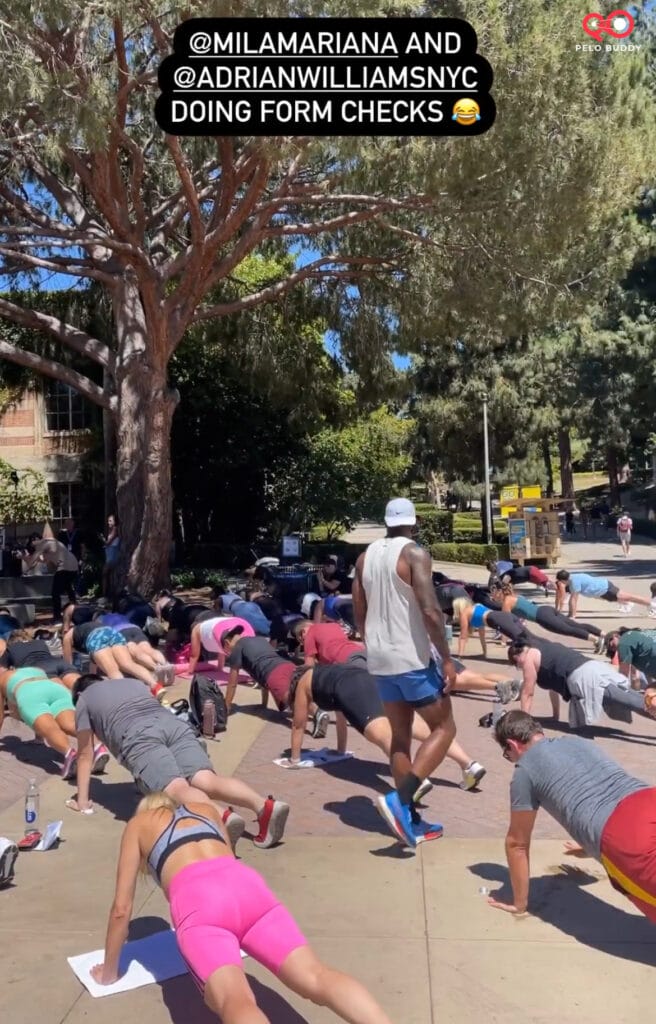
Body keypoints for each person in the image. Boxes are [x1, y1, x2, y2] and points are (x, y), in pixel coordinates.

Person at [89, 793, 395, 1024]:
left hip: (200, 904)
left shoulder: (138, 825)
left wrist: (109, 972)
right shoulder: (205, 809)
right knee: (316, 976)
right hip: (247, 888)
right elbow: (228, 858)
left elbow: (121, 909)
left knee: (236, 999)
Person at [68, 674, 289, 848]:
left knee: (176, 787)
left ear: (78, 694)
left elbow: (86, 754)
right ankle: (264, 806)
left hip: (140, 737)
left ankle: (221, 817)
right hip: (174, 726)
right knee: (205, 779)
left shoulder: (84, 701)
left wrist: (83, 801)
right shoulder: (131, 683)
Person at [352, 497, 457, 847]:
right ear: (414, 521)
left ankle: (408, 819)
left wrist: (373, 646)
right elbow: (430, 611)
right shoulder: (415, 554)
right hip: (410, 658)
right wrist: (445, 657)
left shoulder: (364, 557)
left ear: (385, 521)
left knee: (400, 737)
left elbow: (359, 612)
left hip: (380, 659)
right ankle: (400, 801)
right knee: (444, 727)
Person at [488, 710, 656, 922]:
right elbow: (597, 785)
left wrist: (519, 903)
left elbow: (517, 844)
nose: (510, 759)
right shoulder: (578, 742)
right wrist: (588, 843)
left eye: (506, 754)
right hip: (648, 798)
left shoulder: (524, 770)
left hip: (624, 836)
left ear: (512, 745)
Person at [291, 621, 489, 791]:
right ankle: (468, 764)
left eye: (300, 639)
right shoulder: (332, 626)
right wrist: (340, 750)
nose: (302, 642)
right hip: (371, 659)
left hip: (352, 672)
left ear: (302, 633)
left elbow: (309, 665)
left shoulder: (311, 634)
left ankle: (414, 778)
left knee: (385, 728)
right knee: (412, 722)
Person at [508, 635, 656, 728]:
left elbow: (528, 693)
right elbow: (552, 688)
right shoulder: (542, 651)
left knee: (633, 702)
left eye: (517, 663)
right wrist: (555, 716)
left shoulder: (528, 656)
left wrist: (523, 723)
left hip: (585, 677)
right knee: (633, 699)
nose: (519, 666)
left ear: (518, 654)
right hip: (593, 668)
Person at [0, 666, 108, 779]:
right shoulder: (31, 669)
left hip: (28, 692)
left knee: (51, 730)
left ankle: (70, 754)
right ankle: (98, 747)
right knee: (70, 724)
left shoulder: (1, 679)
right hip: (55, 689)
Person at [62, 621, 166, 700]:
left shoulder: (67, 637)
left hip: (96, 638)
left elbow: (68, 665)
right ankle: (155, 686)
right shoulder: (85, 628)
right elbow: (94, 663)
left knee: (113, 671)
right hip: (111, 632)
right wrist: (92, 679)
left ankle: (128, 698)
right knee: (128, 664)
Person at [493, 580, 605, 652]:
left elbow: (506, 623)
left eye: (493, 593)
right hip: (545, 609)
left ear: (499, 592)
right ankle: (603, 634)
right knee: (574, 625)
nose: (493, 596)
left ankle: (596, 640)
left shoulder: (506, 602)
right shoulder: (514, 596)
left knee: (568, 629)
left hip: (542, 617)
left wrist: (503, 642)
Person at [94, 612, 174, 685]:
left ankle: (156, 667)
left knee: (137, 653)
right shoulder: (121, 615)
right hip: (135, 628)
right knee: (148, 649)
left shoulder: (100, 619)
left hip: (119, 631)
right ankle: (165, 664)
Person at [21, 532, 79, 623]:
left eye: (32, 543)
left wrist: (23, 557)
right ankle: (76, 609)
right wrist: (25, 558)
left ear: (35, 540)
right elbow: (43, 561)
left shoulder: (43, 544)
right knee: (67, 587)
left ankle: (57, 617)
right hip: (74, 567)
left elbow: (31, 563)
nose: (32, 546)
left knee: (55, 593)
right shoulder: (50, 543)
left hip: (65, 567)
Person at [0, 628, 79, 690]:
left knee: (63, 695)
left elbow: (2, 674)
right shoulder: (40, 642)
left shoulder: (10, 649)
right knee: (79, 689)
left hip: (39, 669)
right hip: (60, 663)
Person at [555, 570, 654, 618]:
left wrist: (572, 615)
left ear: (564, 580)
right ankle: (635, 605)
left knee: (629, 597)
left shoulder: (574, 582)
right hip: (601, 591)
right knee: (621, 599)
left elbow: (573, 599)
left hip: (604, 587)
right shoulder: (572, 578)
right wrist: (569, 614)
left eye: (560, 582)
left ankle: (652, 604)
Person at [453, 598, 530, 658]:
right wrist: (484, 653)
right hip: (503, 616)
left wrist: (460, 656)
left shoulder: (465, 613)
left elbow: (463, 636)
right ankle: (530, 653)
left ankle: (530, 655)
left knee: (520, 638)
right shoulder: (476, 609)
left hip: (496, 619)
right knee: (523, 636)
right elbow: (482, 636)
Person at [188, 615, 256, 676]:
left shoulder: (195, 630)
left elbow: (194, 655)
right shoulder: (209, 625)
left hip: (222, 627)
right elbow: (221, 650)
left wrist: (189, 671)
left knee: (236, 653)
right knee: (245, 651)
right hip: (236, 622)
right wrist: (219, 668)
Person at [486, 560, 553, 596]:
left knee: (546, 582)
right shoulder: (499, 569)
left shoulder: (503, 574)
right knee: (545, 582)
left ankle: (559, 585)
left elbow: (505, 584)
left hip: (530, 571)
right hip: (526, 573)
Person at [102, 514, 120, 597]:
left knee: (104, 573)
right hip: (109, 555)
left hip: (112, 556)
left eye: (110, 521)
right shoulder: (110, 531)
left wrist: (103, 541)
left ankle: (105, 594)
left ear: (115, 522)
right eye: (108, 520)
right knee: (110, 575)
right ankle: (109, 593)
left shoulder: (115, 530)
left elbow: (108, 542)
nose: (108, 522)